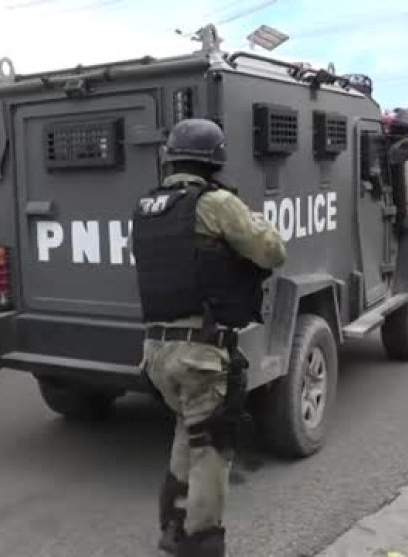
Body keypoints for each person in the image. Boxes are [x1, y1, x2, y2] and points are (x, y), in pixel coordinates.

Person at [130, 119, 287, 557]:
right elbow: (273, 251)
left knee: (189, 432)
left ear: (171, 158)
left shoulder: (146, 208)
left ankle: (173, 527)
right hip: (199, 352)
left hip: (156, 352)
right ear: (214, 161)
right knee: (212, 449)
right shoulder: (216, 203)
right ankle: (201, 542)